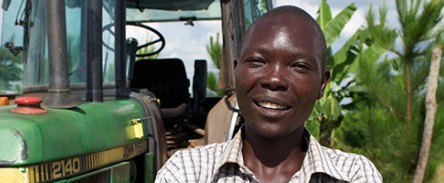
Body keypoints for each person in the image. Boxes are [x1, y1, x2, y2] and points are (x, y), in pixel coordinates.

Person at [155, 6, 382, 183]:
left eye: (299, 66)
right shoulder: (187, 171)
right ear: (236, 72)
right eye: (257, 61)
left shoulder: (354, 175)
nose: (274, 79)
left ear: (322, 84)